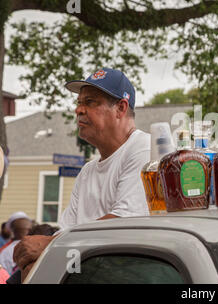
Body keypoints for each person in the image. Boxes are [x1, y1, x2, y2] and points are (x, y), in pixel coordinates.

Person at [13, 68, 151, 281]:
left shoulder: (144, 149)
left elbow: (125, 225)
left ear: (121, 108)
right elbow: (67, 233)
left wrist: (48, 245)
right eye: (78, 103)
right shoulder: (87, 171)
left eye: (90, 102)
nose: (78, 110)